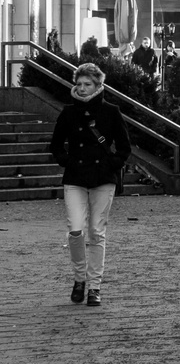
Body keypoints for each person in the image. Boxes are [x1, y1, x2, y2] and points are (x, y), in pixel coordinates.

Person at [50, 63, 130, 306]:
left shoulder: (111, 111)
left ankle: (94, 286)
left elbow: (125, 147)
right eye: (79, 84)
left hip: (102, 178)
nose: (82, 88)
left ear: (98, 86)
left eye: (88, 84)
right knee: (75, 229)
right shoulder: (68, 112)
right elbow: (56, 144)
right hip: (75, 177)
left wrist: (111, 164)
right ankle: (79, 279)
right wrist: (67, 161)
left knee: (96, 232)